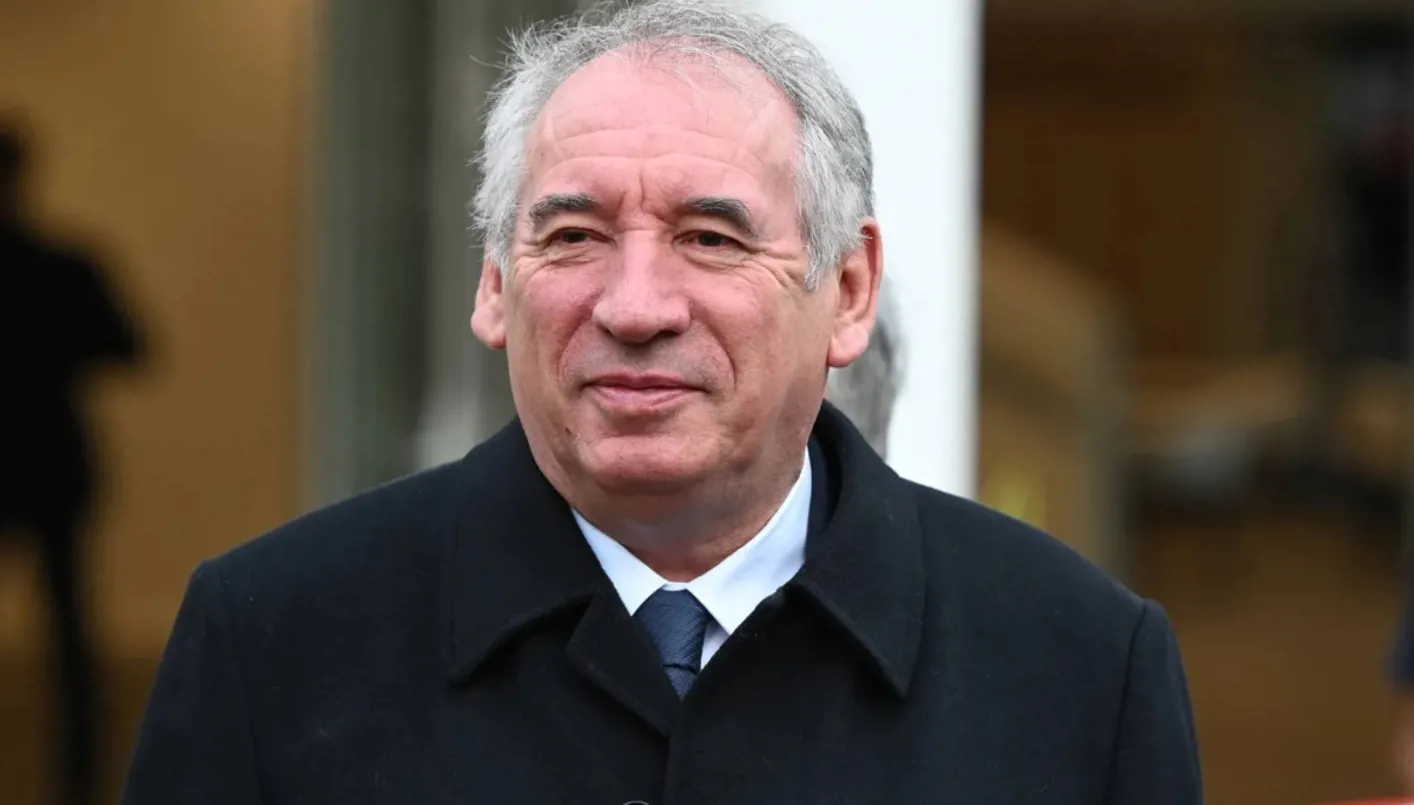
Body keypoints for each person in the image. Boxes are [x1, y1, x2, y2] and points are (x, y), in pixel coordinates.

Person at [121, 2, 1202, 802]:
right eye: (573, 235)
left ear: (848, 290)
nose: (635, 305)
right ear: (494, 283)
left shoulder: (1077, 667)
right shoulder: (274, 643)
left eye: (711, 237)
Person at [1, 117, 145, 805]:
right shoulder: (60, 265)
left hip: (45, 466)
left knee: (70, 629)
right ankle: (81, 778)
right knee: (69, 633)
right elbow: (126, 346)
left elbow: (129, 347)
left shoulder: (62, 264)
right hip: (51, 462)